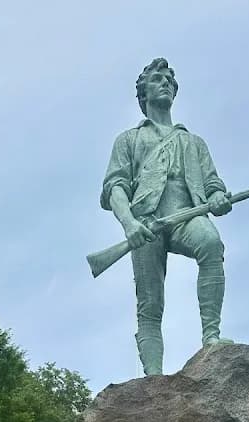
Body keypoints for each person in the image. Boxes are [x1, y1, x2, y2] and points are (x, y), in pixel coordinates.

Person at [101, 58, 233, 375]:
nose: (165, 84)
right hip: (145, 223)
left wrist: (218, 197)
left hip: (186, 214)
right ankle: (153, 376)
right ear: (143, 93)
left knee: (211, 243)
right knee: (150, 303)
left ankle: (211, 337)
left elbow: (213, 183)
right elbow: (114, 187)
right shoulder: (128, 140)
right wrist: (129, 223)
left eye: (169, 81)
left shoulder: (193, 142)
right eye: (158, 79)